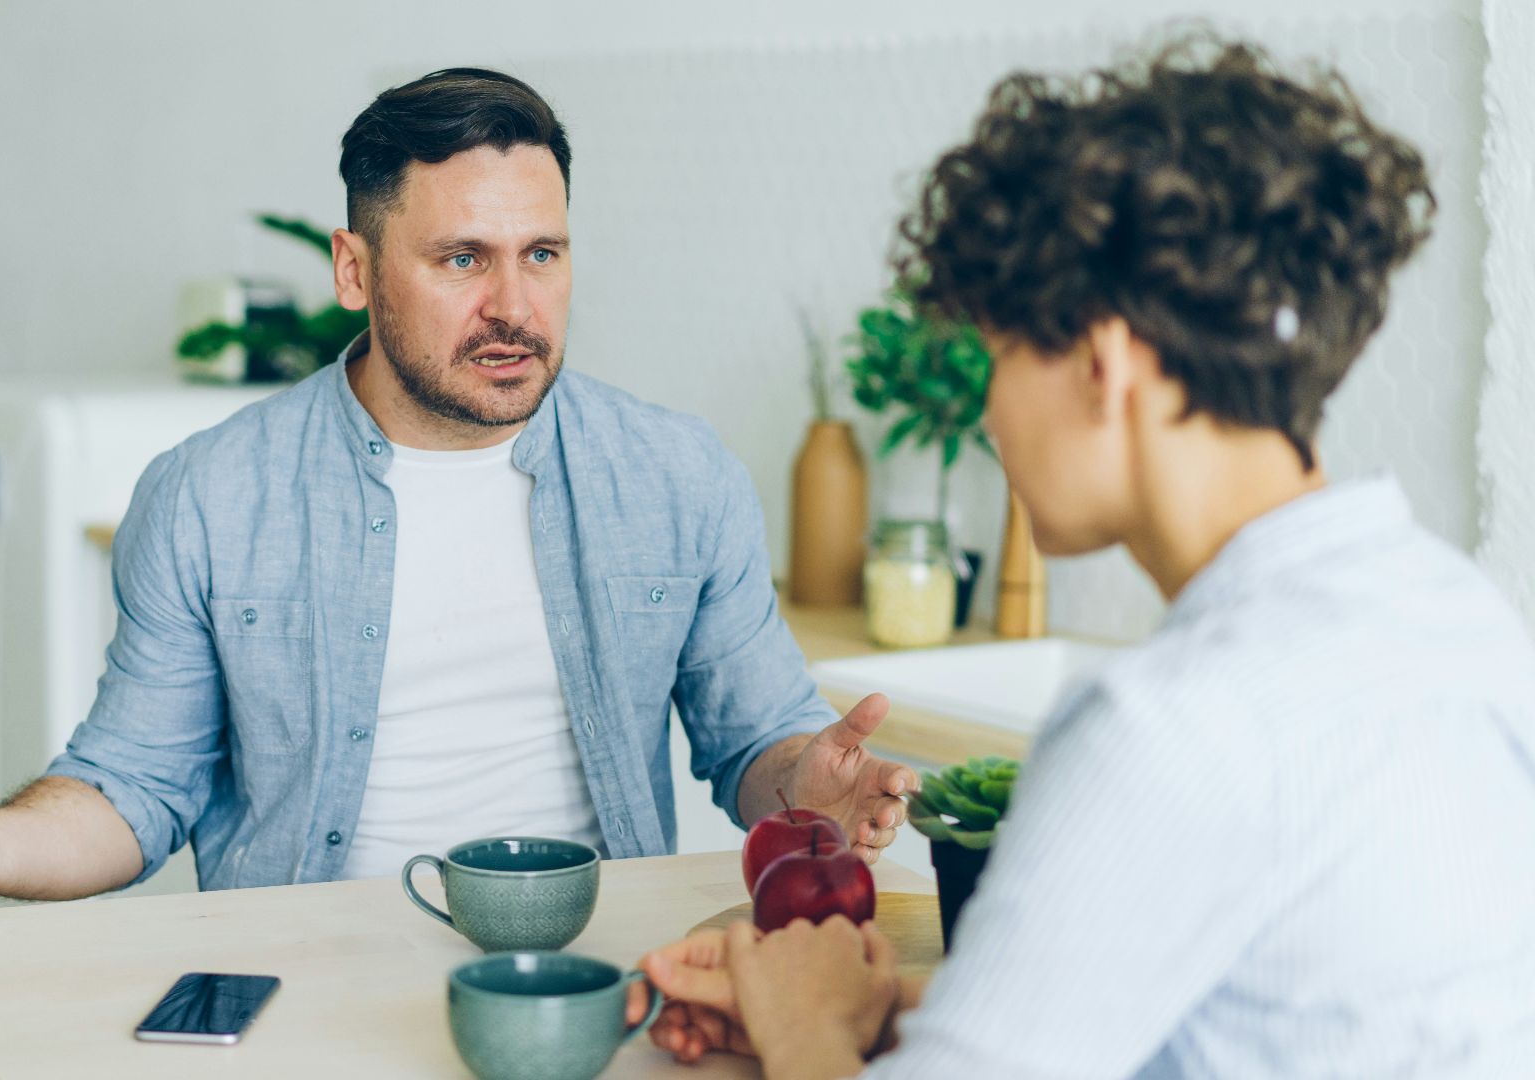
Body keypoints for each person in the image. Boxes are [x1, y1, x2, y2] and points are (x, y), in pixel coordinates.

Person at [0, 68, 917, 914]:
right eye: (462, 260)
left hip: (595, 973)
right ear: (356, 269)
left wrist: (806, 778)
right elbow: (130, 791)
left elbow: (754, 744)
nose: (514, 307)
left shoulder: (677, 476)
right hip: (298, 976)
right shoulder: (212, 496)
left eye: (544, 255)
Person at [636, 36, 1535, 1079]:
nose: (985, 411)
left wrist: (801, 1016)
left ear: (1101, 365)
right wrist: (879, 1012)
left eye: (1001, 355)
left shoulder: (1173, 724)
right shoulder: (1462, 617)